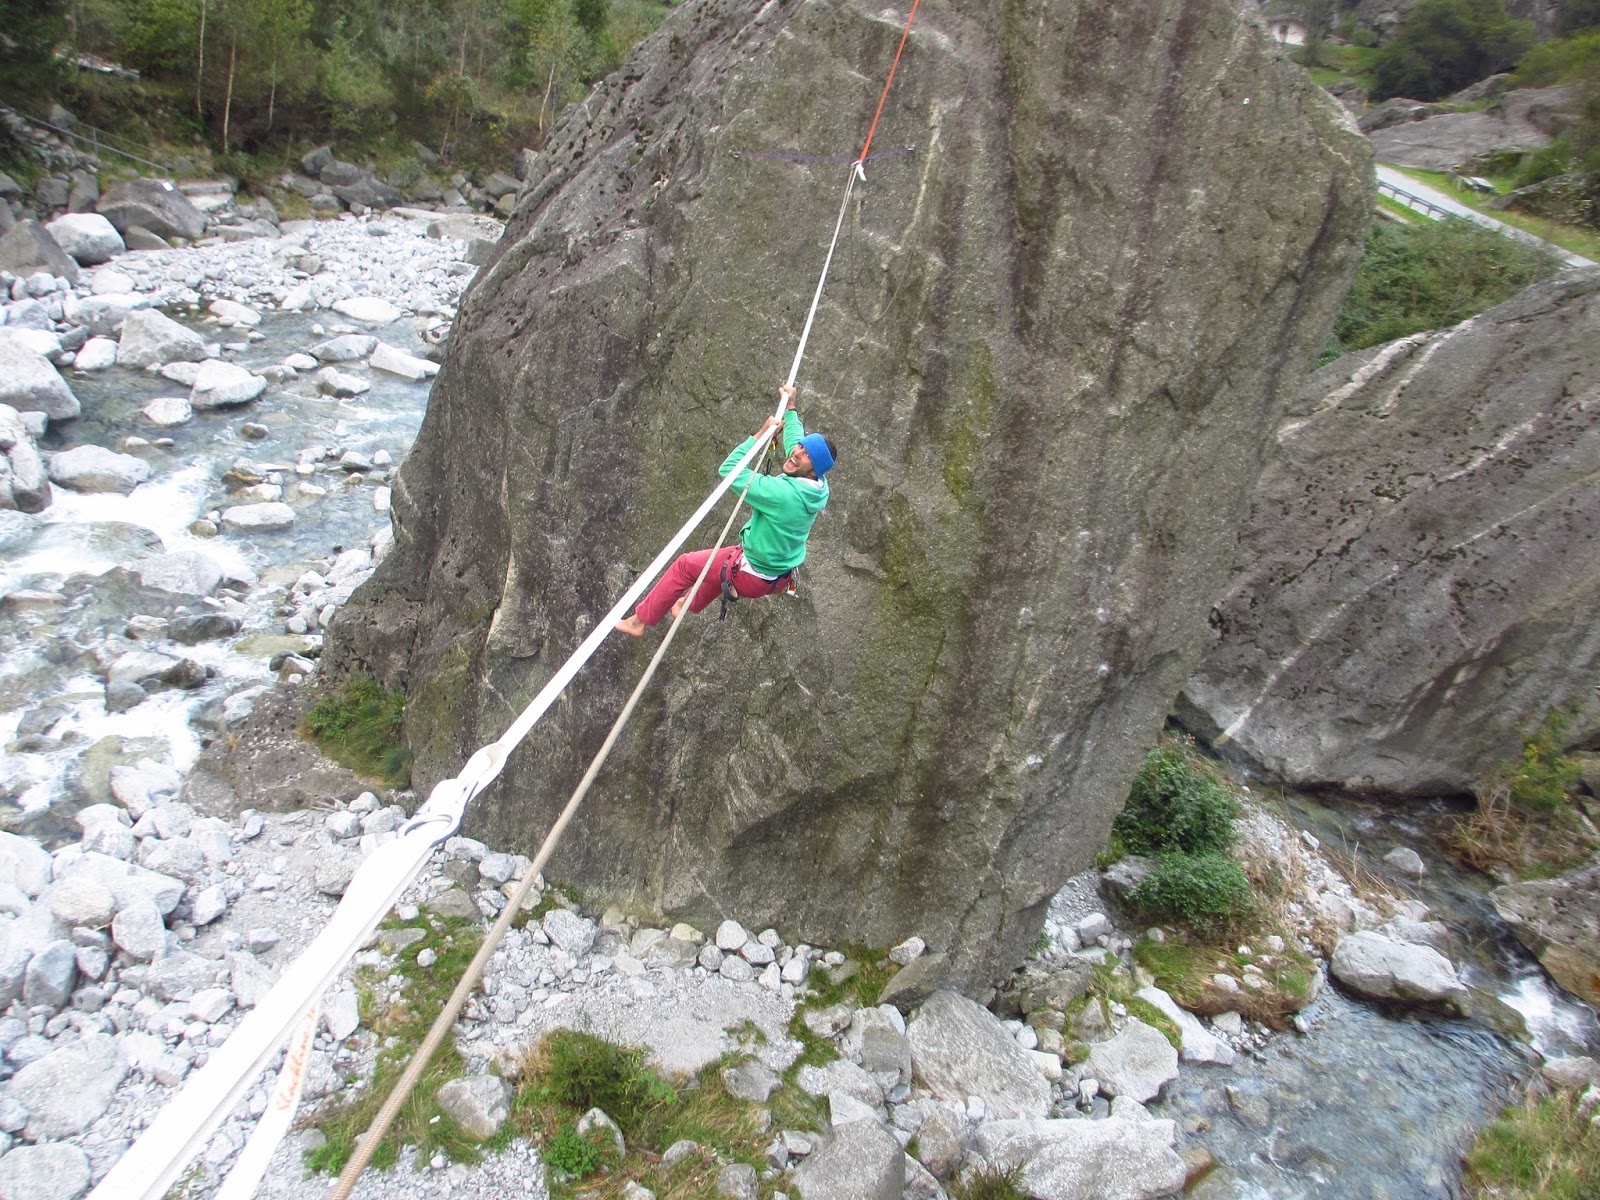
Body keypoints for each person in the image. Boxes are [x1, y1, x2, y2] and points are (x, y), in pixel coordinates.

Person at [616, 384, 836, 635]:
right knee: (718, 565)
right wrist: (791, 409)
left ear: (813, 468)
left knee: (686, 565)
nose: (797, 451)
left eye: (806, 454)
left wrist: (759, 435)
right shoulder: (817, 487)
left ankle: (639, 622)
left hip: (752, 573)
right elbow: (797, 446)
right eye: (801, 446)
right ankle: (686, 605)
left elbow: (729, 470)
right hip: (776, 574)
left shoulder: (782, 494)